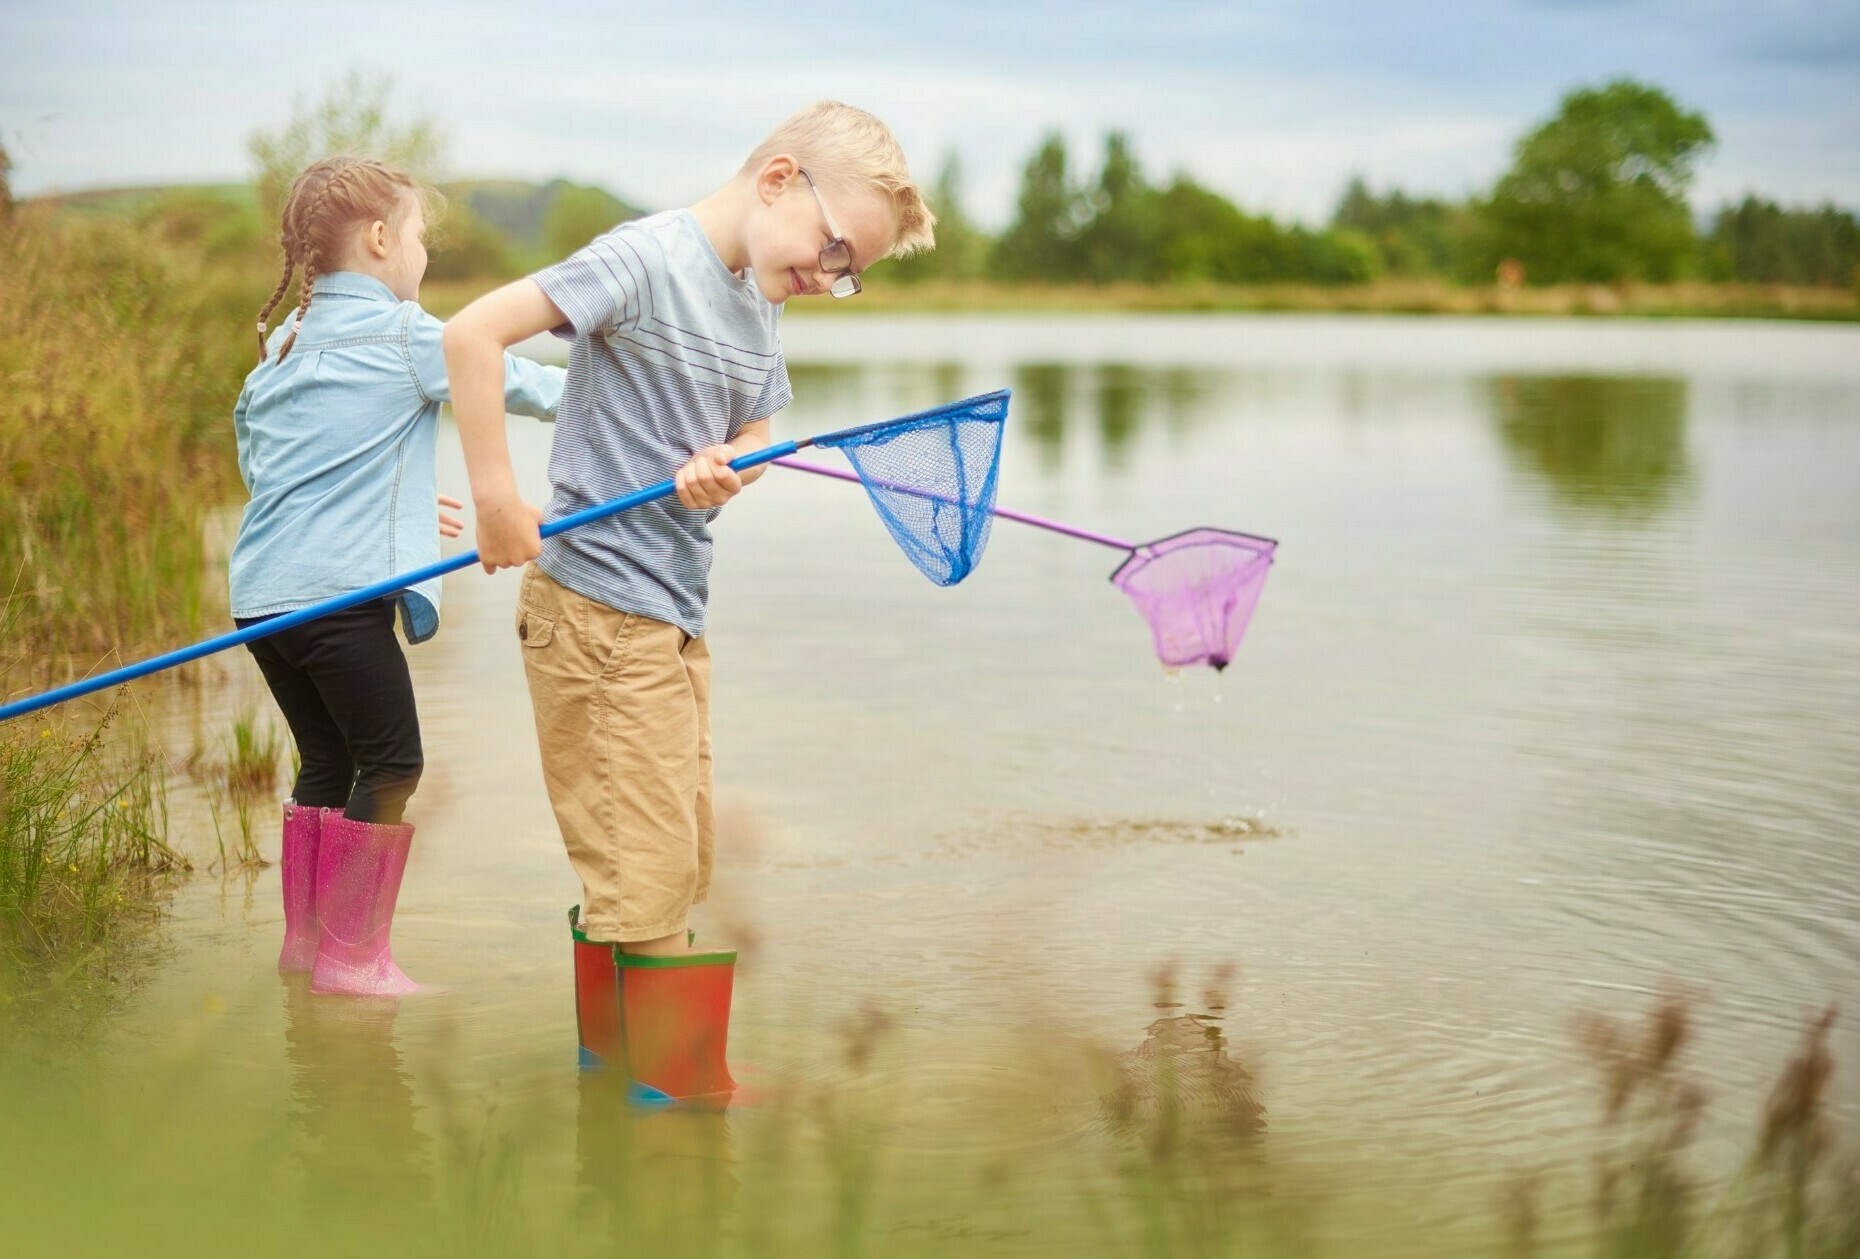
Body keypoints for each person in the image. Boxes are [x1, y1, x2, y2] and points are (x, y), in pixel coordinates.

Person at [443, 101, 934, 1097]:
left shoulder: (759, 301)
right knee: (650, 855)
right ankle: (671, 1083)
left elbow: (761, 427)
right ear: (778, 179)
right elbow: (472, 332)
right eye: (835, 250)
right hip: (594, 611)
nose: (830, 278)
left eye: (851, 273)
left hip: (669, 614)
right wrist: (498, 498)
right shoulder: (646, 260)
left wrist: (730, 466)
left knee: (669, 844)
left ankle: (620, 1057)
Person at [231, 157, 565, 996]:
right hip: (338, 602)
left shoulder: (284, 342)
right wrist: (649, 402)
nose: (423, 255)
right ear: (382, 239)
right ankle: (354, 958)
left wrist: (405, 507)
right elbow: (524, 385)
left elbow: (269, 463)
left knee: (325, 759)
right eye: (419, 236)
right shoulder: (410, 332)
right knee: (392, 764)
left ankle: (306, 948)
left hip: (263, 601)